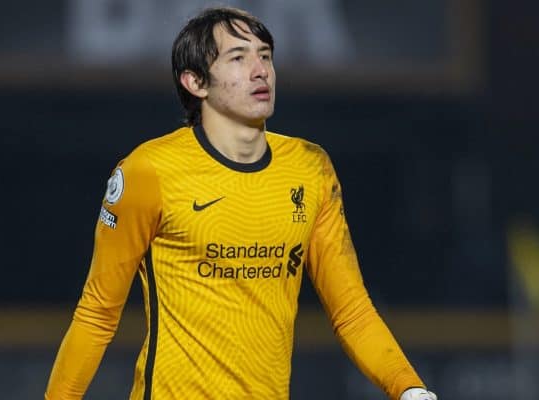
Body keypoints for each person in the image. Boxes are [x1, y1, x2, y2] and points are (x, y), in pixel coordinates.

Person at [45, 6, 437, 400]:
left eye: (265, 56)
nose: (260, 70)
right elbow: (97, 314)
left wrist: (409, 389)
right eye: (238, 57)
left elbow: (352, 312)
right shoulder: (148, 172)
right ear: (195, 81)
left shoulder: (310, 168)